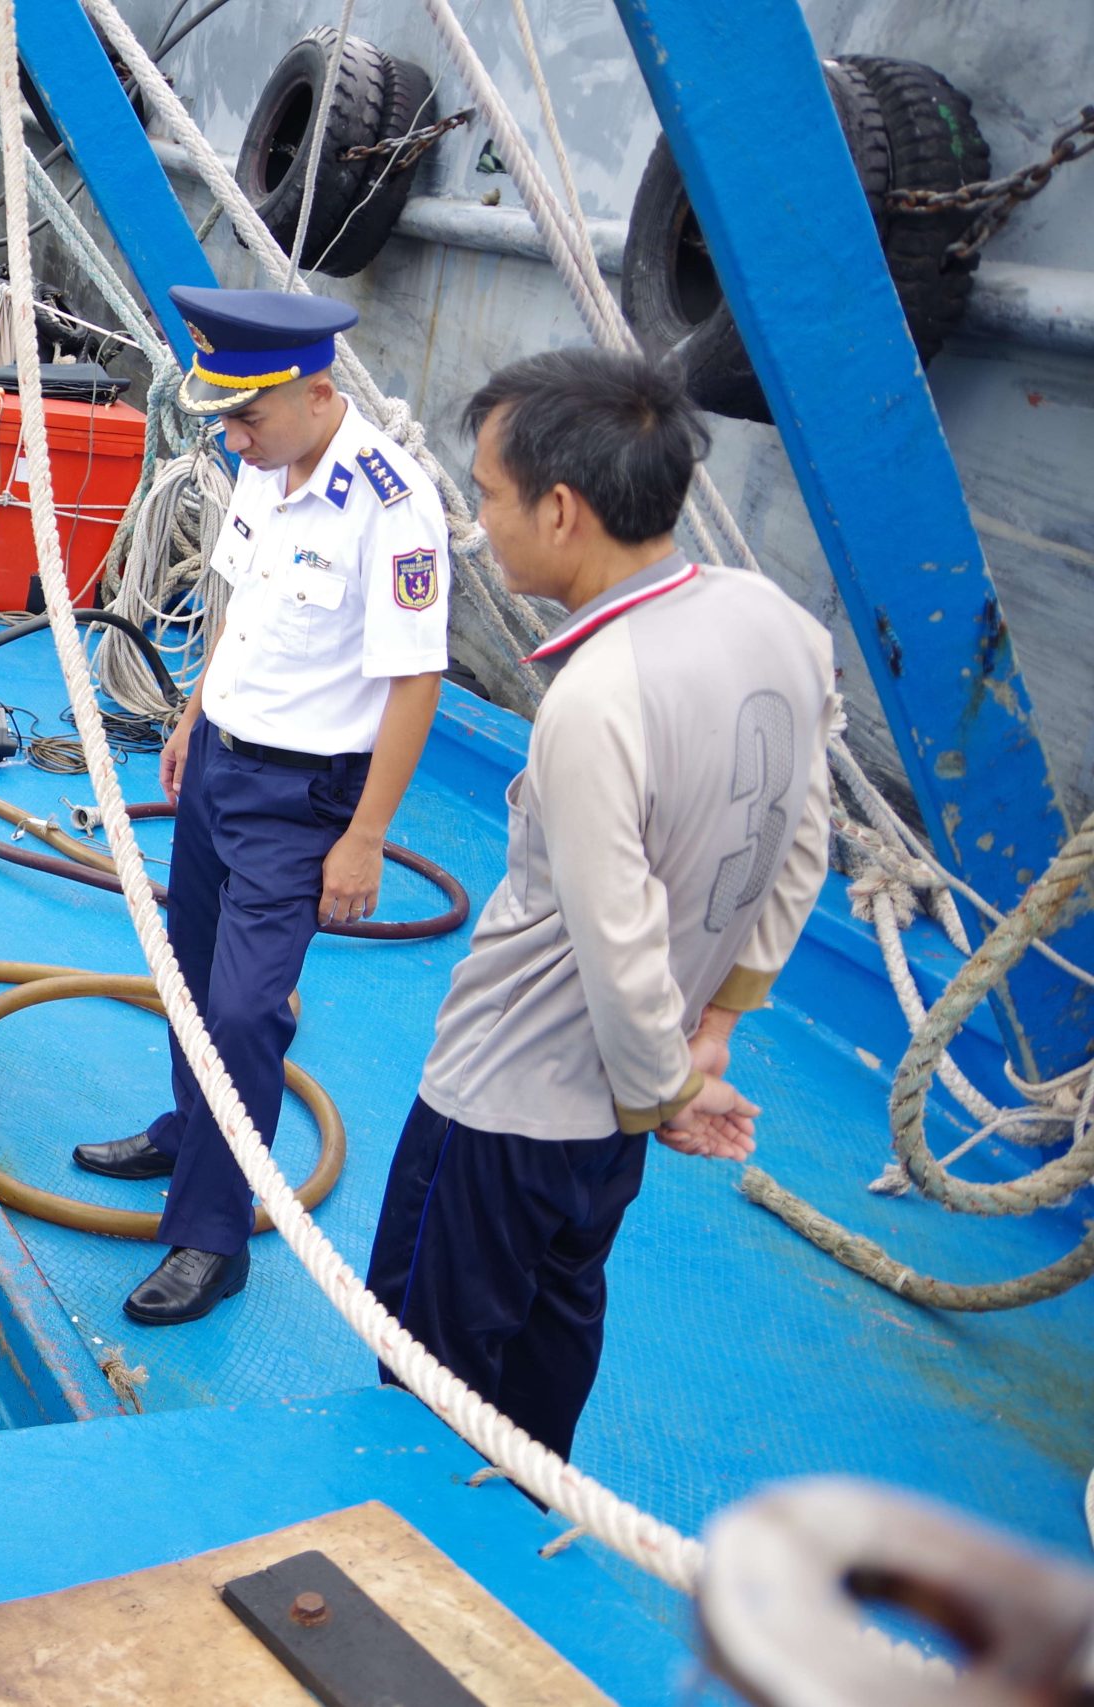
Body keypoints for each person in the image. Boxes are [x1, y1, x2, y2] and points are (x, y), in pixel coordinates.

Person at [365, 347, 836, 1460]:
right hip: (607, 1126)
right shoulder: (776, 623)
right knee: (554, 1329)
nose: (480, 524)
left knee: (423, 1362)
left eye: (490, 495)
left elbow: (613, 935)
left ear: (563, 510)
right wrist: (715, 1023)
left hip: (504, 1102)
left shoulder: (597, 697)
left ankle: (416, 1537)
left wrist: (670, 1088)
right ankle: (535, 1512)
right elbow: (799, 837)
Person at [73, 286, 449, 1326]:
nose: (232, 438)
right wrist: (193, 715)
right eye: (227, 418)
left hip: (300, 796)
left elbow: (415, 679)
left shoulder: (393, 505)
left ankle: (212, 1234)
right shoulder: (263, 460)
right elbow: (239, 605)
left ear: (317, 391)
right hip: (218, 761)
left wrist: (364, 837)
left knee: (244, 1009)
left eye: (248, 416)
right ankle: (189, 1128)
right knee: (191, 973)